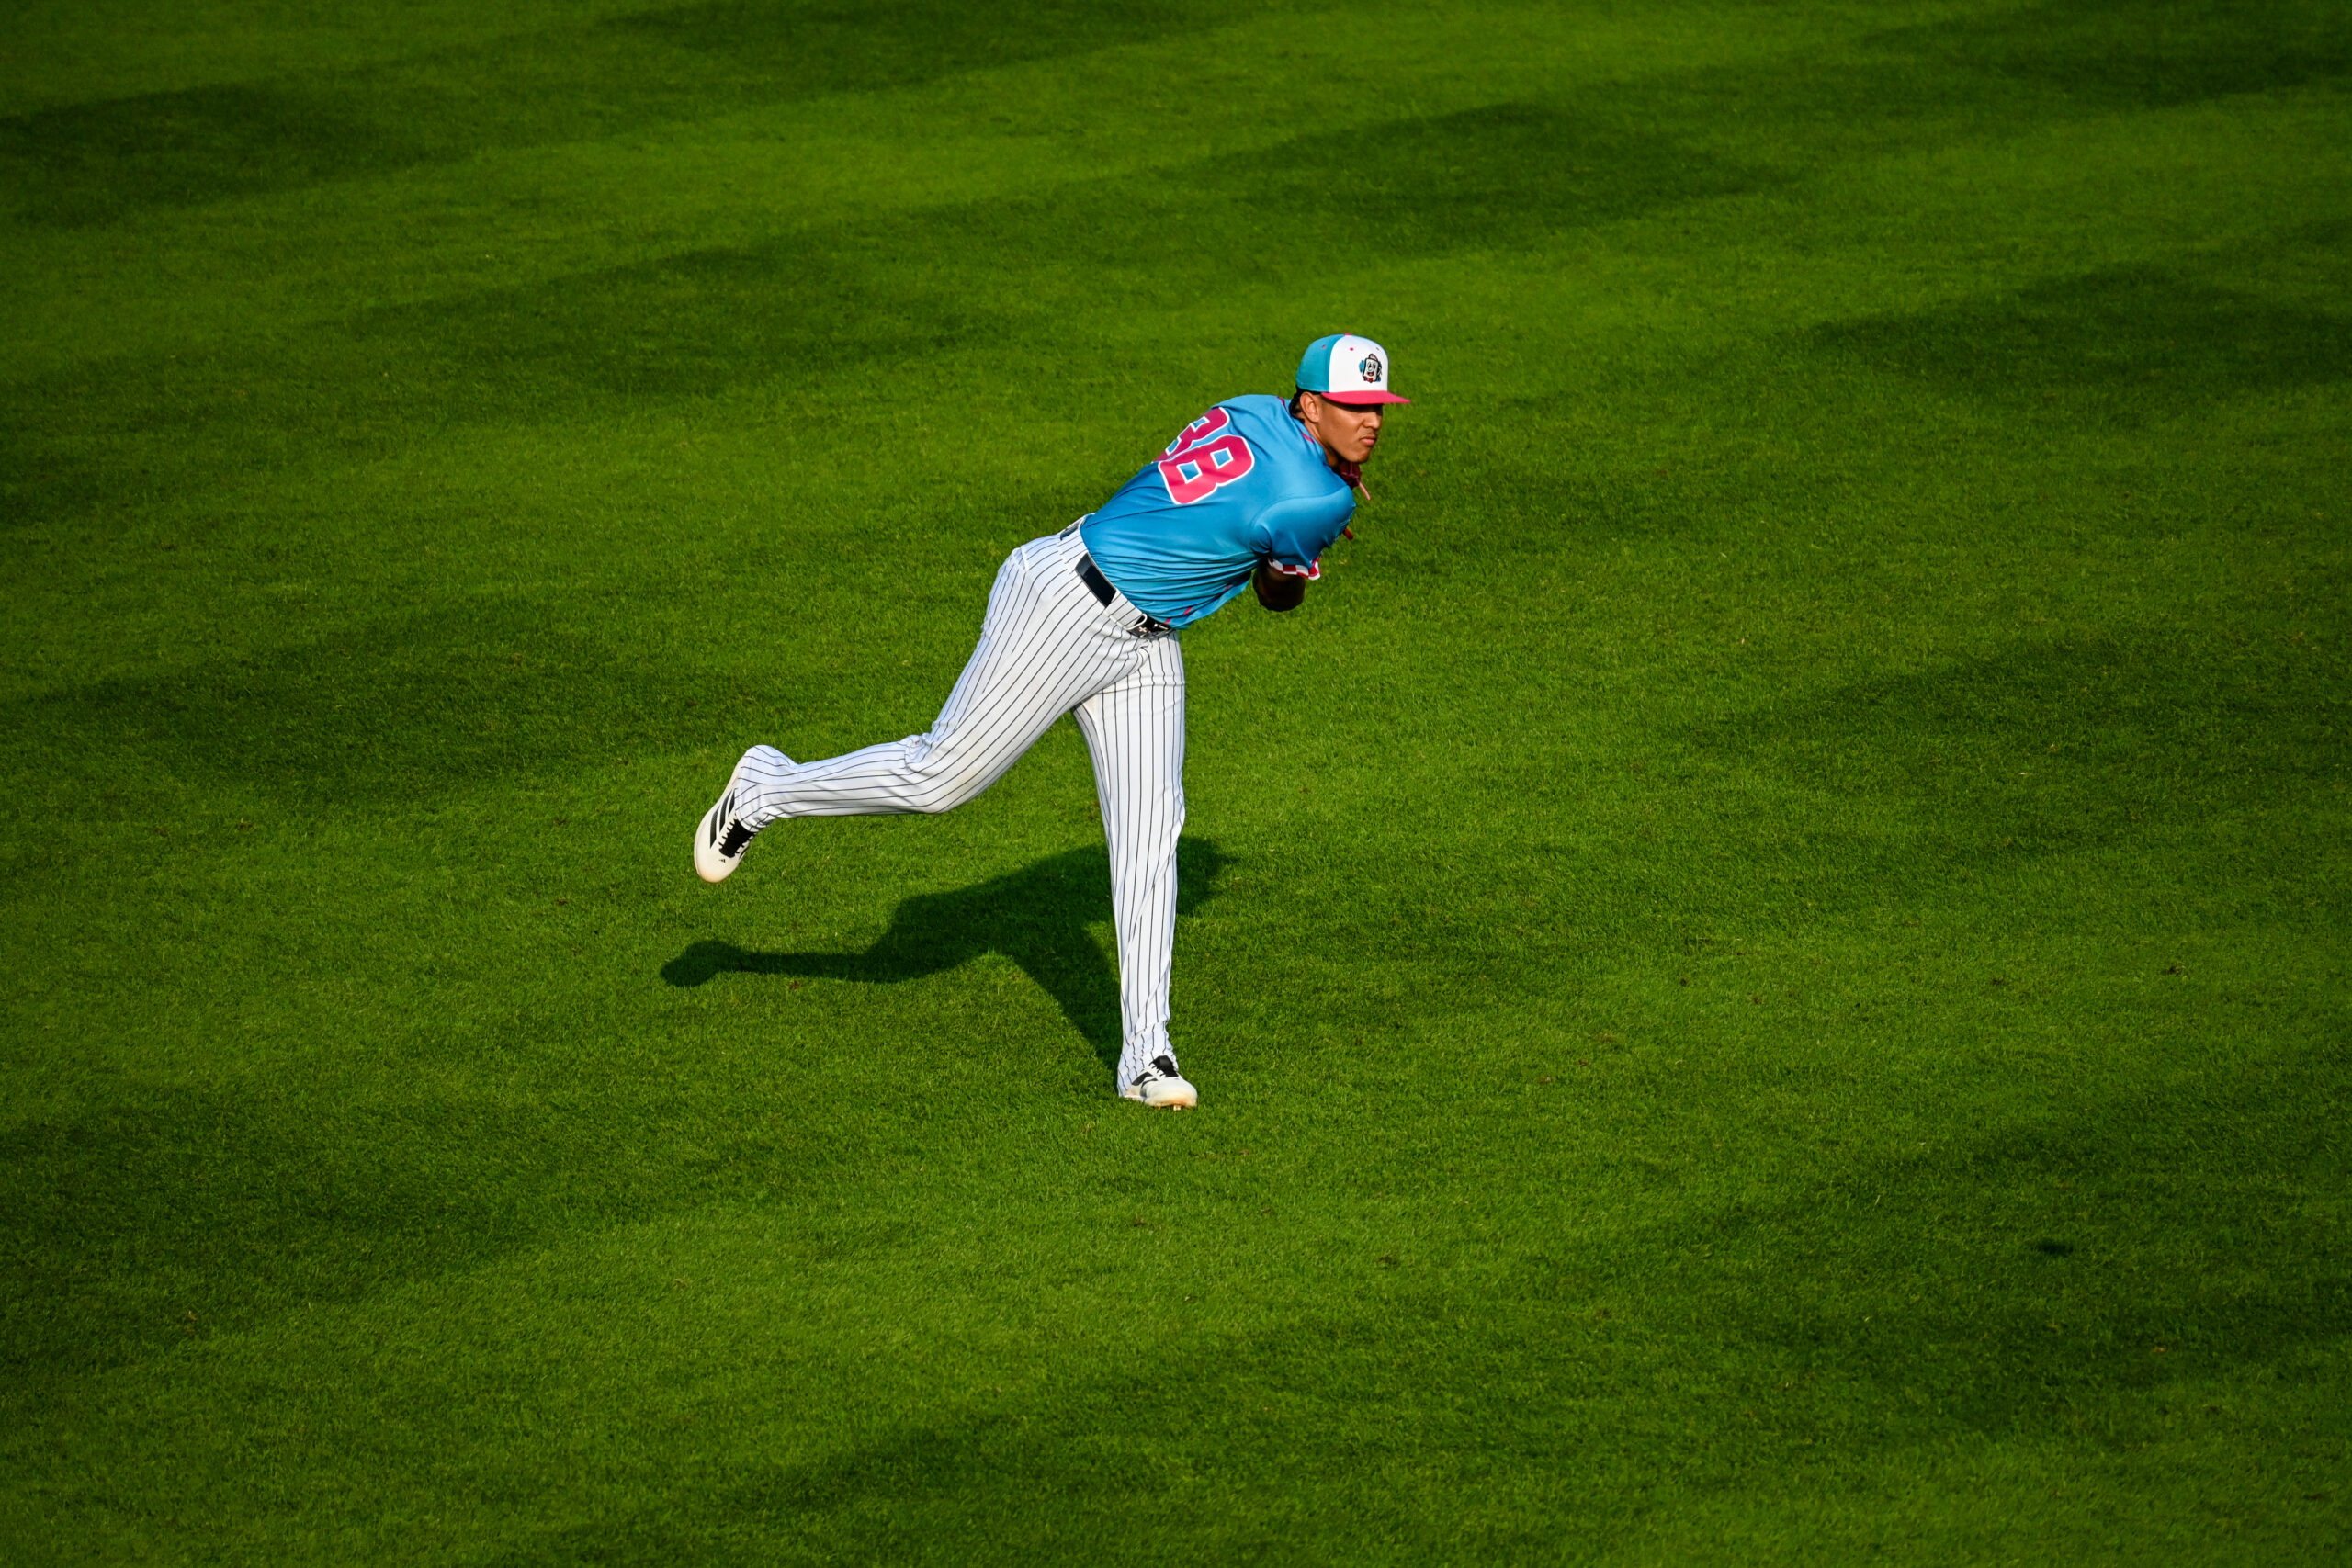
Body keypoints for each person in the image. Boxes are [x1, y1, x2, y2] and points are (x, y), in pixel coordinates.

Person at [692, 333, 1408, 1108]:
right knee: (939, 778)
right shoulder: (1321, 499)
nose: (1370, 420)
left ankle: (1148, 1056)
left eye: (1377, 406)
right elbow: (1277, 596)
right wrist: (1297, 558)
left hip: (1144, 639)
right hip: (1064, 609)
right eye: (1354, 405)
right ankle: (766, 786)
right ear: (1311, 403)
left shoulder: (1250, 408)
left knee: (1150, 833)